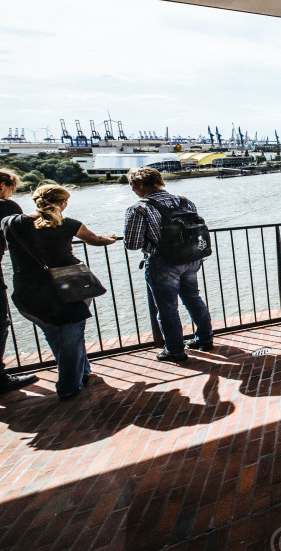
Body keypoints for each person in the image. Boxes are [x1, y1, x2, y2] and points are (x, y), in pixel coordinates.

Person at [1, 185, 117, 400]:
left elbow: (6, 246)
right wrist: (108, 237)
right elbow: (96, 240)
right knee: (71, 337)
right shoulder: (69, 224)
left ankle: (82, 373)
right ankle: (69, 387)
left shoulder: (11, 223)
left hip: (29, 290)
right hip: (69, 287)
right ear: (63, 203)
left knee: (54, 333)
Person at [123, 167, 214, 363]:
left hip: (163, 262)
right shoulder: (185, 201)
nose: (132, 190)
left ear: (139, 184)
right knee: (193, 297)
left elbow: (132, 244)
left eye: (132, 185)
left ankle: (175, 350)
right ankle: (205, 339)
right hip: (191, 258)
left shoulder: (139, 208)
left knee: (167, 308)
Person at [0, 170, 39, 394]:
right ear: (3, 185)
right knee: (0, 322)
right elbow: (15, 239)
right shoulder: (6, 207)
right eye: (10, 189)